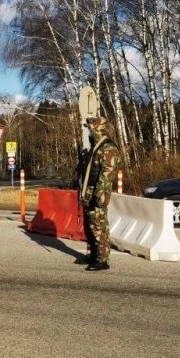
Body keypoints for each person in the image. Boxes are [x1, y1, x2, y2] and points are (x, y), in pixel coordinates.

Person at [78, 116, 122, 271]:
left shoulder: (108, 148)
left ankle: (102, 259)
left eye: (90, 128)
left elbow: (106, 174)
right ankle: (93, 254)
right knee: (89, 225)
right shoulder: (95, 147)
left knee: (98, 224)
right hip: (89, 191)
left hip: (98, 192)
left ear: (98, 129)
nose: (88, 131)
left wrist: (99, 195)